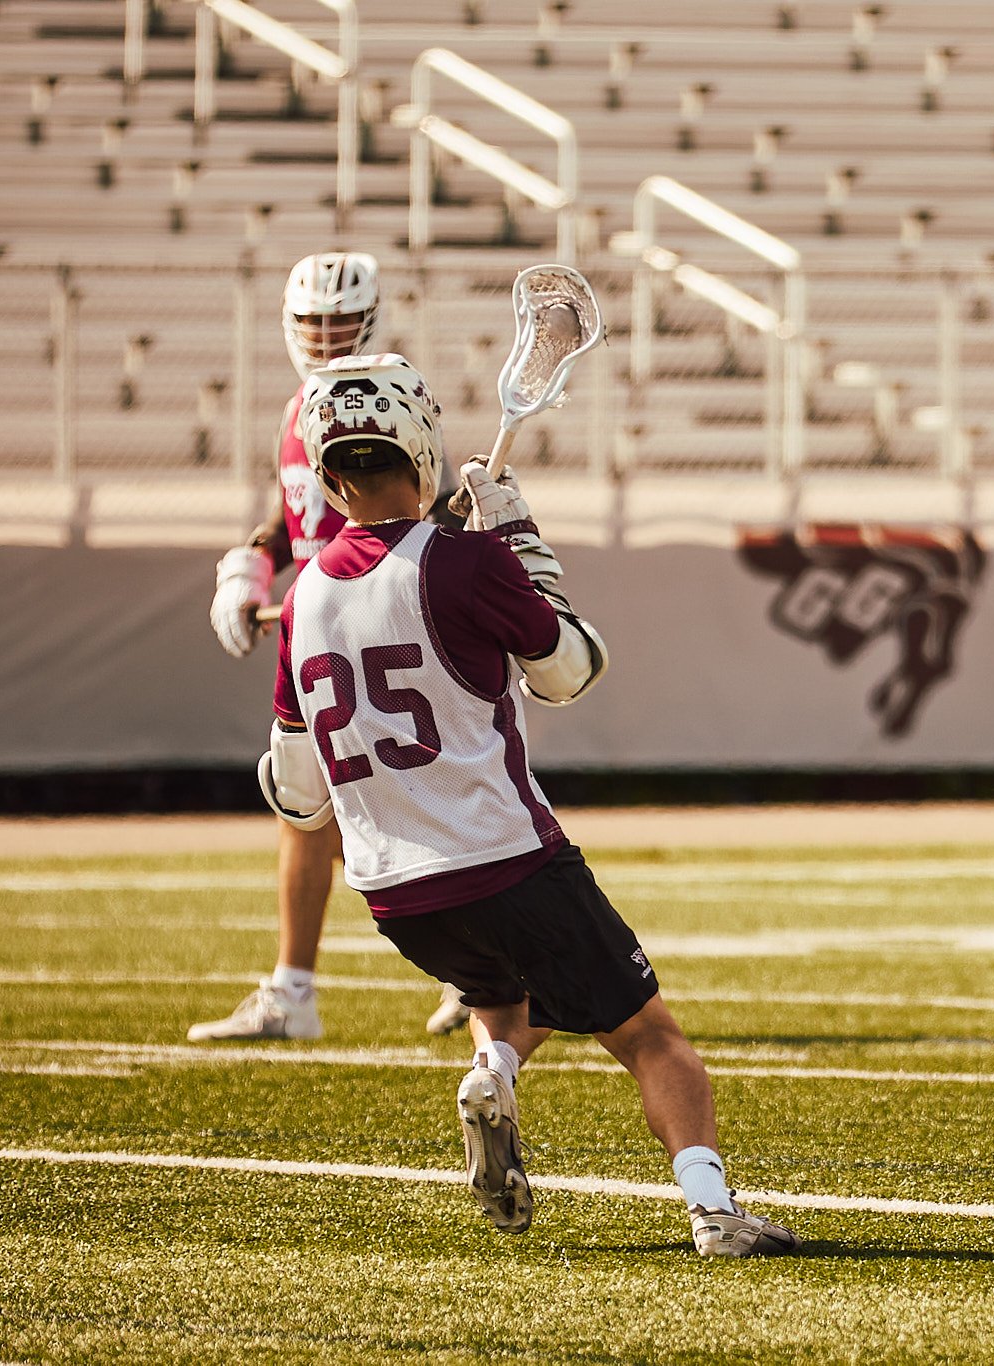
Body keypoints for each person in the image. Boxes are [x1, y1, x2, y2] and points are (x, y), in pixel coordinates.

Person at [257, 352, 800, 1256]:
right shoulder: (465, 562)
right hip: (508, 857)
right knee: (652, 1038)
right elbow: (571, 672)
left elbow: (297, 795)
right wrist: (522, 545)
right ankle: (712, 1211)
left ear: (323, 467)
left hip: (397, 896)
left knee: (510, 998)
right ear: (420, 446)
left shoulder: (302, 595)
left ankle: (493, 1066)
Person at [195, 250, 470, 1042]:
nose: (326, 335)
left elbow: (424, 510)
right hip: (321, 631)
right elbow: (296, 518)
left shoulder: (387, 399)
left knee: (398, 802)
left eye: (341, 320)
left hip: (374, 630)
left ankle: (471, 969)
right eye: (313, 321)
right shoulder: (298, 409)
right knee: (311, 807)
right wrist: (250, 563)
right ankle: (302, 988)